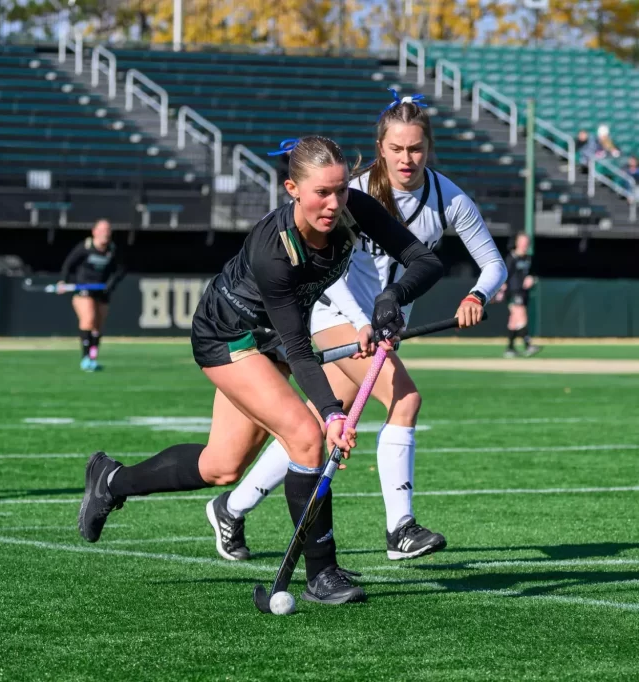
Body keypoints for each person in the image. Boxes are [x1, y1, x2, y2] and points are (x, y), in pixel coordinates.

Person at [77, 135, 443, 606]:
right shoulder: (275, 250)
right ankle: (322, 573)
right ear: (292, 188)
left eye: (340, 190)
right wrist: (332, 414)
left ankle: (111, 481)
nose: (334, 204)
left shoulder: (354, 208)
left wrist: (392, 298)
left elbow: (424, 260)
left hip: (274, 337)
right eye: (321, 194)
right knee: (308, 436)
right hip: (230, 336)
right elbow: (298, 347)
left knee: (220, 465)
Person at [212, 90, 507, 563]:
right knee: (405, 398)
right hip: (337, 314)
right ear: (380, 148)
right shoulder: (354, 193)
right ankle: (400, 528)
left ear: (428, 148)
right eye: (396, 149)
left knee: (313, 423)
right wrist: (359, 321)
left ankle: (232, 506)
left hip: (384, 326)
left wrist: (477, 294)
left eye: (415, 149)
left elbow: (493, 264)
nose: (406, 159)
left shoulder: (449, 198)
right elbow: (333, 272)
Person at [58, 220, 125, 372]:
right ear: (94, 232)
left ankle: (93, 357)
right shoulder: (85, 248)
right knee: (88, 320)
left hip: (102, 292)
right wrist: (64, 281)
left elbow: (120, 270)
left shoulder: (112, 250)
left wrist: (111, 284)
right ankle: (85, 357)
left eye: (107, 230)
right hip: (83, 290)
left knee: (98, 327)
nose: (105, 233)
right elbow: (68, 265)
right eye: (101, 230)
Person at [495, 232, 540, 358]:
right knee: (521, 316)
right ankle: (528, 344)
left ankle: (510, 348)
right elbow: (504, 276)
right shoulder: (511, 258)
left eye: (526, 242)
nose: (524, 244)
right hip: (513, 291)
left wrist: (532, 279)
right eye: (522, 241)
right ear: (517, 243)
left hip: (524, 293)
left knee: (513, 322)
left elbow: (533, 274)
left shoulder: (528, 259)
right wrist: (501, 291)